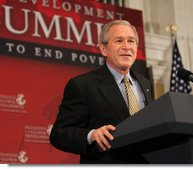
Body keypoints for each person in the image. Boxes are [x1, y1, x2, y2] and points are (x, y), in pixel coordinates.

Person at [49, 20, 154, 164]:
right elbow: (59, 134)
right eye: (119, 41)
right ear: (104, 49)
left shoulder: (145, 83)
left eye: (131, 41)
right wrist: (91, 135)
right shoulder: (82, 85)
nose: (127, 47)